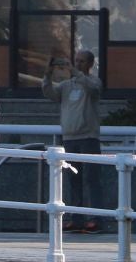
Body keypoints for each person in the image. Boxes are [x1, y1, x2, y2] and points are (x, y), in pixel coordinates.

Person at [43, 48, 104, 232]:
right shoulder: (66, 85)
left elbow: (93, 89)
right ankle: (76, 218)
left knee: (92, 179)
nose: (77, 64)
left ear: (90, 64)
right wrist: (48, 74)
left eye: (81, 61)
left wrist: (75, 73)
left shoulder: (93, 82)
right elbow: (50, 93)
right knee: (74, 180)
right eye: (76, 61)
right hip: (70, 138)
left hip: (89, 137)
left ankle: (96, 219)